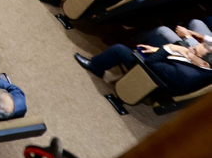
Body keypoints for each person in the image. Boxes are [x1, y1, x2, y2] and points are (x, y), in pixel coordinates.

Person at [75, 39, 212, 97]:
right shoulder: (203, 66)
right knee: (153, 45)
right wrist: (158, 49)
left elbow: (150, 64)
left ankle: (95, 66)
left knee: (119, 49)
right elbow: (182, 59)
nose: (189, 48)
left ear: (205, 64)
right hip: (165, 71)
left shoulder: (187, 74)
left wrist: (172, 48)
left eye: (194, 51)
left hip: (152, 81)